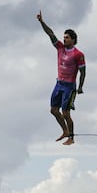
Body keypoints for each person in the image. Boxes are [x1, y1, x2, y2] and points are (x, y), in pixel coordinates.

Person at [36, 10, 86, 145]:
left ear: (74, 40)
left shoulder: (78, 54)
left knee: (66, 113)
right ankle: (65, 131)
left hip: (69, 87)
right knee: (53, 110)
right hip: (59, 84)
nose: (64, 39)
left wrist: (80, 87)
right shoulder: (60, 48)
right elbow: (50, 33)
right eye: (64, 37)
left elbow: (83, 72)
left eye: (67, 38)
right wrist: (42, 22)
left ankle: (71, 137)